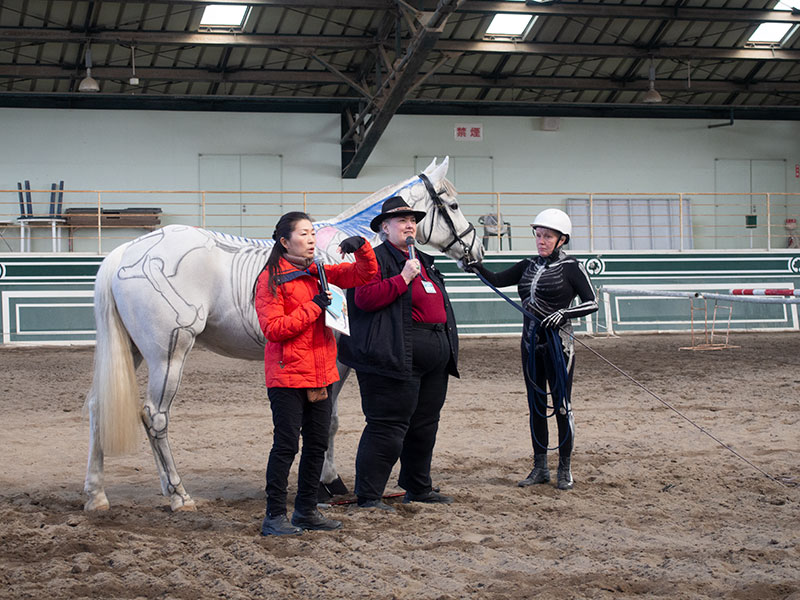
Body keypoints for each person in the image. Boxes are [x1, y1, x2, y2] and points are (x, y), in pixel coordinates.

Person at [254, 211, 378, 535]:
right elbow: (274, 329)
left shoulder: (318, 272)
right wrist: (314, 307)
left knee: (316, 444)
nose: (311, 240)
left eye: (313, 234)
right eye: (304, 234)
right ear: (284, 241)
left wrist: (361, 247)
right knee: (285, 446)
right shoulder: (270, 280)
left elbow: (365, 275)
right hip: (287, 377)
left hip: (321, 375)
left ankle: (306, 511)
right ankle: (274, 516)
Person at [338, 196, 459, 511]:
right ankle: (369, 495)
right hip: (390, 357)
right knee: (387, 427)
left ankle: (418, 487)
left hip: (432, 357)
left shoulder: (424, 260)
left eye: (412, 220)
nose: (409, 224)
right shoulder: (373, 261)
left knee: (425, 425)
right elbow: (363, 299)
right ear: (384, 228)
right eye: (401, 220)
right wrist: (403, 278)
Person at [467, 208, 597, 490]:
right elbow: (498, 279)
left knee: (562, 406)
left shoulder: (572, 268)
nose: (541, 241)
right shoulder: (527, 265)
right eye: (538, 235)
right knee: (536, 407)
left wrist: (564, 313)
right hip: (529, 344)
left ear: (561, 239)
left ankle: (564, 468)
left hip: (559, 346)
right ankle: (540, 467)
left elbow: (592, 302)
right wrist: (475, 266)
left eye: (547, 236)